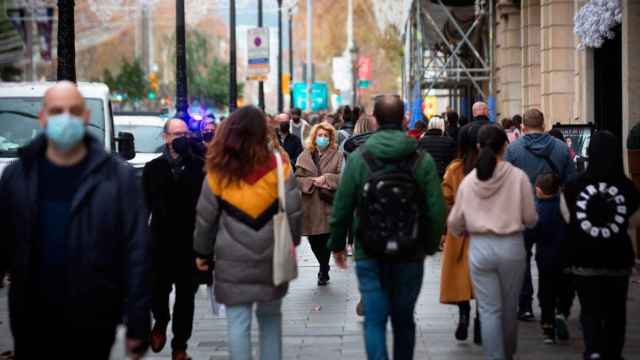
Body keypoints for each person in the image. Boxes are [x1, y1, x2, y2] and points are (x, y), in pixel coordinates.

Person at [0, 82, 151, 359]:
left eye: (73, 110)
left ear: (86, 117)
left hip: (94, 320)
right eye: (57, 111)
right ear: (43, 117)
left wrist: (138, 323)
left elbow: (136, 252)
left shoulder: (117, 178)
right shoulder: (18, 177)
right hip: (32, 320)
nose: (65, 118)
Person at [329, 94, 446, 359]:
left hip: (369, 249)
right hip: (410, 251)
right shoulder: (421, 159)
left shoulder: (360, 158)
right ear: (404, 118)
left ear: (376, 120)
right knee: (404, 319)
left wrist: (336, 244)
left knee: (374, 319)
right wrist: (428, 245)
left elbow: (342, 205)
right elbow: (436, 208)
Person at [193, 106, 303, 360]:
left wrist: (201, 252)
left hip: (231, 260)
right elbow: (294, 210)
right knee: (271, 320)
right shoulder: (278, 164)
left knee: (237, 323)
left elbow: (205, 217)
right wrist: (293, 241)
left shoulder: (218, 168)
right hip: (271, 257)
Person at [448, 125, 538, 360]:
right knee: (509, 309)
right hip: (511, 247)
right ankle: (507, 354)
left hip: (480, 247)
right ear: (505, 146)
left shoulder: (470, 181)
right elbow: (530, 218)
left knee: (489, 310)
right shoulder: (518, 178)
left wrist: (466, 230)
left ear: (478, 147)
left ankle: (494, 356)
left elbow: (455, 222)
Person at [561, 131, 640, 360]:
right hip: (617, 260)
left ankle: (593, 349)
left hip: (584, 259)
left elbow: (567, 218)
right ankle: (613, 352)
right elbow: (634, 222)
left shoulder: (574, 185)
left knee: (590, 309)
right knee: (617, 311)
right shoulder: (627, 187)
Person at [504, 108, 576, 321]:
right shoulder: (562, 149)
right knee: (553, 258)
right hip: (554, 212)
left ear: (523, 127)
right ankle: (554, 303)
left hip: (522, 212)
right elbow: (571, 183)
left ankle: (525, 305)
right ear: (544, 125)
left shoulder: (513, 150)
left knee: (522, 258)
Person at [143, 119, 206, 360]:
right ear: (165, 137)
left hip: (189, 243)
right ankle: (160, 320)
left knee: (186, 296)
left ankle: (180, 345)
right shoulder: (153, 168)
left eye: (184, 133)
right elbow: (143, 206)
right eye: (176, 134)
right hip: (160, 242)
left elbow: (207, 207)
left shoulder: (198, 166)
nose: (180, 137)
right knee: (157, 289)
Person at [439, 123, 482, 345]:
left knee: (461, 280)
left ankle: (464, 314)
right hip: (486, 232)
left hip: (460, 233)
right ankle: (481, 321)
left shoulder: (456, 169)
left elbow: (445, 199)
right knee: (484, 281)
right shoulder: (495, 167)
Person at [295, 122, 343, 286]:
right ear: (314, 137)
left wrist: (327, 179)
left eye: (326, 136)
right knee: (314, 240)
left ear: (331, 139)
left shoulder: (337, 155)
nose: (322, 138)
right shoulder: (305, 155)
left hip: (328, 202)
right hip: (310, 203)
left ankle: (323, 269)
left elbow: (342, 177)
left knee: (327, 238)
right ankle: (324, 265)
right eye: (320, 135)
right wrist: (311, 181)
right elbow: (297, 179)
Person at [530, 172, 572, 345]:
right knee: (566, 289)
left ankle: (548, 328)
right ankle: (562, 312)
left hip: (545, 260)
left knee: (546, 294)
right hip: (565, 257)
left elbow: (531, 233)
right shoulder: (565, 206)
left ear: (538, 190)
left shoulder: (538, 210)